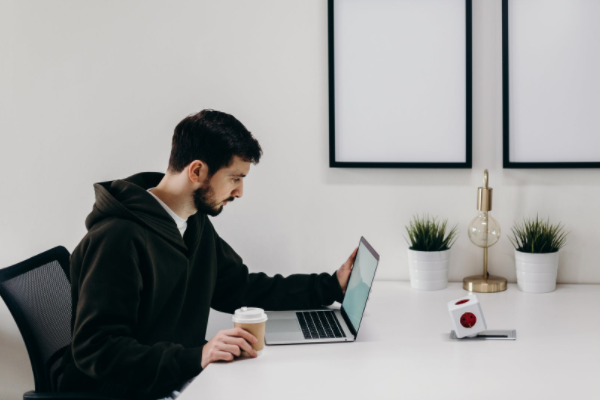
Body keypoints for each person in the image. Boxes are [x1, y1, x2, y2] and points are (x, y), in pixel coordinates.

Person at [58, 109, 358, 400]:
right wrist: (196, 357)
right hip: (128, 390)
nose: (239, 192)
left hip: (175, 376)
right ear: (198, 171)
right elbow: (97, 349)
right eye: (235, 178)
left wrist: (331, 286)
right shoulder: (117, 238)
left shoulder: (193, 222)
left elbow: (237, 287)